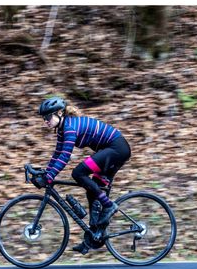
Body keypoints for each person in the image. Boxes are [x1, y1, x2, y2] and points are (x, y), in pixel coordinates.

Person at [34, 96, 131, 254]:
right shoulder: (62, 129)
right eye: (44, 118)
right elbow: (57, 154)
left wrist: (50, 176)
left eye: (48, 117)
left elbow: (65, 156)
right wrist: (46, 172)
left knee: (79, 173)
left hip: (117, 149)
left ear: (59, 113)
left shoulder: (70, 128)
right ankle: (93, 237)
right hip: (110, 151)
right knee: (92, 189)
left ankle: (109, 206)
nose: (45, 121)